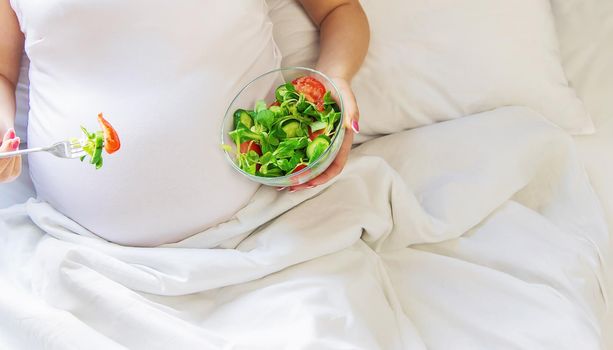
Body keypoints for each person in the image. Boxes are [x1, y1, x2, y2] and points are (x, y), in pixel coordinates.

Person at [0, 0, 370, 245]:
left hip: (266, 233)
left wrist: (333, 80)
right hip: (69, 250)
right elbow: (2, 73)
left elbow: (339, 8)